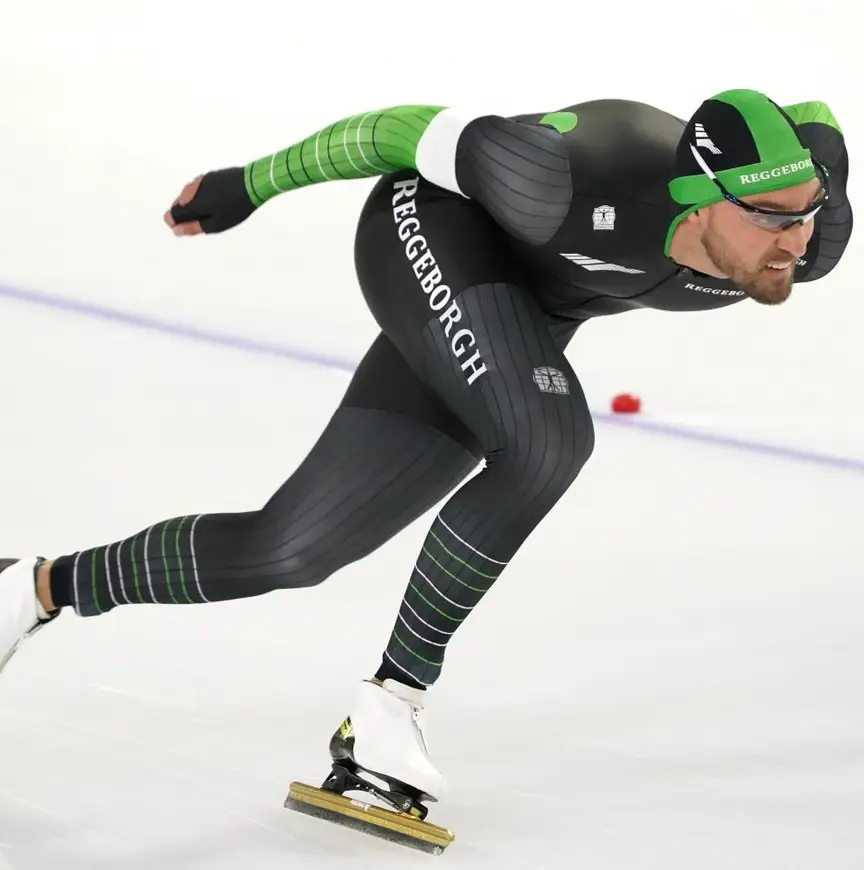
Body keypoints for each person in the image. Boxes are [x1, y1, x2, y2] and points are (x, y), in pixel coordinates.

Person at [1, 89, 852, 809]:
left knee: (291, 549)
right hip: (433, 232)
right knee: (549, 440)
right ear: (698, 198)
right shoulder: (558, 177)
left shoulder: (809, 233)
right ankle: (390, 706)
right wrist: (250, 183)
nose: (796, 238)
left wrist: (806, 186)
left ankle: (34, 587)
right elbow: (397, 132)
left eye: (808, 209)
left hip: (523, 312)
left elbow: (813, 122)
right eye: (770, 218)